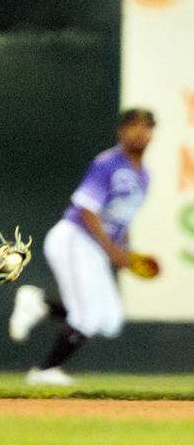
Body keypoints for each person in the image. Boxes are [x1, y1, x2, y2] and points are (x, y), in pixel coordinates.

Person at [8, 109, 155, 386]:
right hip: (75, 237)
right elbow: (87, 209)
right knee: (87, 315)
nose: (140, 131)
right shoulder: (108, 163)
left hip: (96, 247)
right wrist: (112, 250)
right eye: (134, 125)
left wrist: (126, 254)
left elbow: (124, 219)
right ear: (121, 131)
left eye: (147, 126)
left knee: (110, 321)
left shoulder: (145, 177)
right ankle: (45, 371)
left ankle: (39, 303)